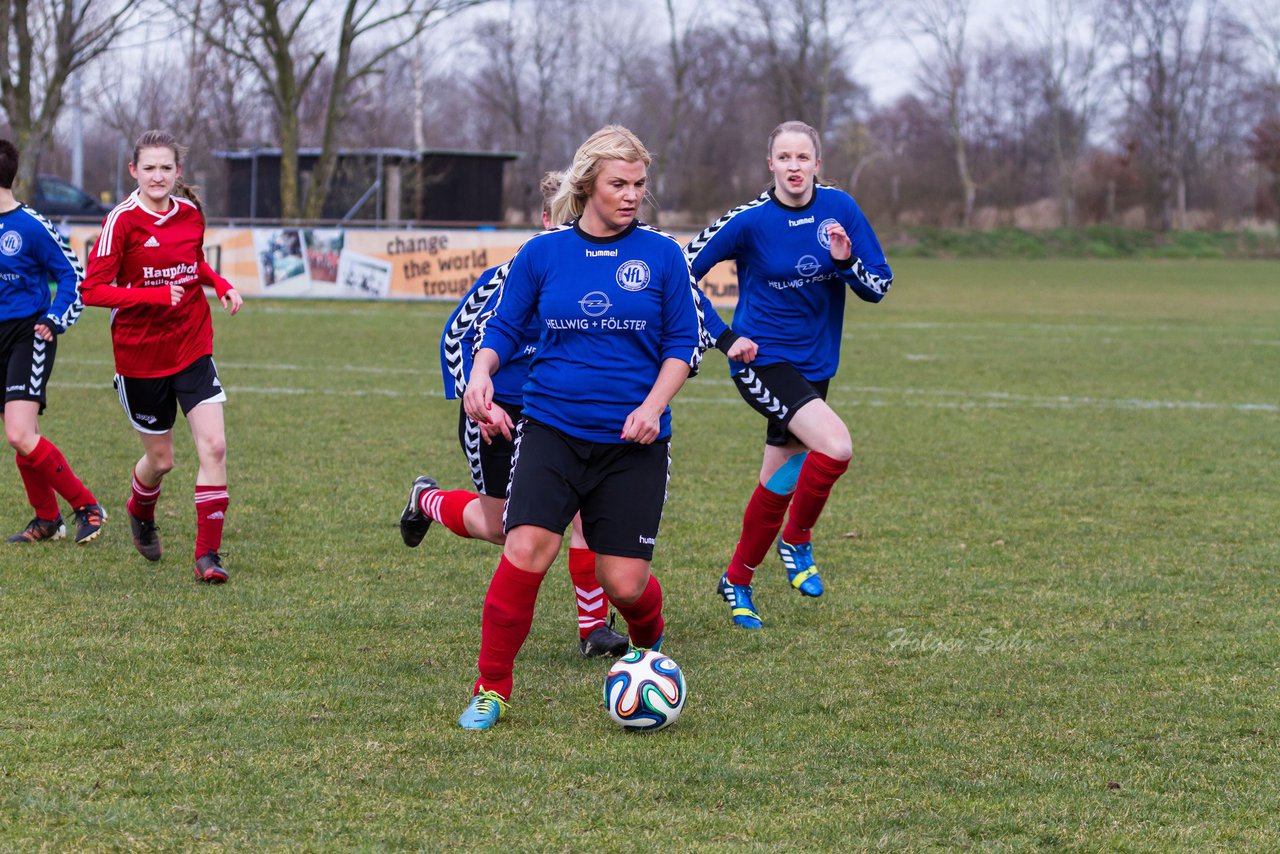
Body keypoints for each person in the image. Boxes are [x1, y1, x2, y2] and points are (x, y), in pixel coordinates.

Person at [455, 125, 703, 729]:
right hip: (552, 430)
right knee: (526, 549)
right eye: (619, 183)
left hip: (632, 443)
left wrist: (652, 406)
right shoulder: (542, 255)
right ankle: (492, 688)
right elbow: (505, 329)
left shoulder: (663, 254)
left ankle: (650, 639)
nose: (631, 195)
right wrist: (481, 374)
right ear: (588, 183)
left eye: (639, 185)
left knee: (622, 582)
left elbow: (683, 343)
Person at [400, 169, 629, 659]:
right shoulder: (507, 278)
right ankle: (428, 500)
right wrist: (478, 398)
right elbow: (455, 340)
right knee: (506, 525)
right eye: (565, 219)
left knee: (590, 513)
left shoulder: (602, 276)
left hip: (561, 416)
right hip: (498, 416)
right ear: (545, 219)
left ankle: (593, 629)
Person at [685, 120, 893, 629]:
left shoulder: (840, 209)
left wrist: (845, 263)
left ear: (817, 164)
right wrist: (724, 336)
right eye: (785, 157)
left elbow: (879, 285)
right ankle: (797, 540)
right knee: (836, 446)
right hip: (762, 362)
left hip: (816, 366)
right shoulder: (748, 220)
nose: (794, 166)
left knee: (776, 480)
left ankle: (737, 580)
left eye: (804, 158)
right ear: (770, 164)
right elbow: (679, 272)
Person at [81, 130, 243, 583]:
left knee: (214, 445)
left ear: (178, 172)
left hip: (192, 344)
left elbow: (193, 263)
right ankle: (140, 509)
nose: (158, 176)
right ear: (134, 171)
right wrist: (151, 296)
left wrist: (220, 283)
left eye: (166, 168)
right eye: (149, 168)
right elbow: (91, 290)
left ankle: (207, 558)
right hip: (140, 358)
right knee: (162, 461)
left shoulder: (190, 214)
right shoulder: (122, 221)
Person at [0, 140, 107, 544]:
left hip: (30, 334)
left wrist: (54, 318)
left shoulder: (30, 225)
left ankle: (87, 506)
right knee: (22, 433)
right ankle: (47, 519)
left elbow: (73, 276)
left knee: (20, 434)